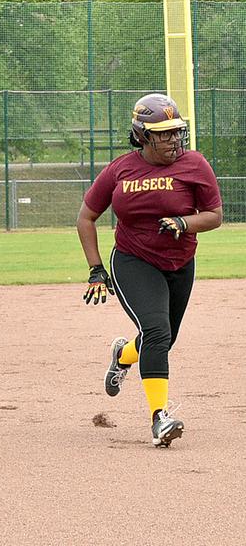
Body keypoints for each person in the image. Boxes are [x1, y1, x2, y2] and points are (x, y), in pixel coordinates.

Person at [77, 93, 222, 447]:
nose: (174, 139)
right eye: (164, 133)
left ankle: (123, 354)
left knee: (163, 338)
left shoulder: (195, 165)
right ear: (142, 134)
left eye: (177, 131)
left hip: (179, 263)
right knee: (157, 331)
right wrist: (96, 269)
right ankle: (160, 418)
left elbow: (215, 216)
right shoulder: (120, 169)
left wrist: (184, 223)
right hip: (133, 260)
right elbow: (86, 217)